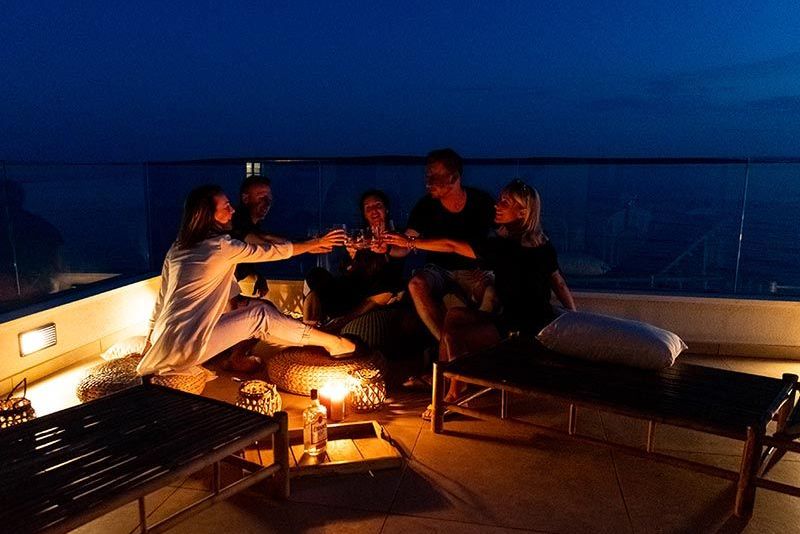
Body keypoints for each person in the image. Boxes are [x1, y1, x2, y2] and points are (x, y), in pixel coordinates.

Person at [384, 179, 576, 417]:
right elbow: (558, 282)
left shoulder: (505, 247)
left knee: (453, 335)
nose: (497, 205)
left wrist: (410, 242)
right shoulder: (542, 245)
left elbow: (452, 246)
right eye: (499, 199)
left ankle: (452, 393)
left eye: (505, 202)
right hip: (513, 317)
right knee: (454, 316)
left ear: (522, 212)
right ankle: (455, 384)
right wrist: (573, 315)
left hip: (523, 329)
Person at [137, 184, 356, 378]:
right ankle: (335, 343)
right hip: (186, 345)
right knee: (261, 315)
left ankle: (317, 340)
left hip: (162, 340)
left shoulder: (177, 247)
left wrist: (149, 341)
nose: (232, 210)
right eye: (226, 206)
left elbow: (161, 301)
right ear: (208, 215)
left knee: (257, 309)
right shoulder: (220, 245)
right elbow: (268, 251)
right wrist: (314, 243)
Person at [394, 148, 496, 342]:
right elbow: (403, 246)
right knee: (416, 284)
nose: (428, 182)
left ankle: (480, 341)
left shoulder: (481, 202)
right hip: (438, 269)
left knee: (491, 292)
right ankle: (445, 342)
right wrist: (387, 247)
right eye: (427, 176)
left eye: (435, 176)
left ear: (454, 177)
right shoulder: (425, 206)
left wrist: (491, 266)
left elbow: (503, 239)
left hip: (473, 269)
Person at [302, 189, 405, 331]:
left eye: (378, 205)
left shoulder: (397, 235)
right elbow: (347, 270)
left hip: (377, 292)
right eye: (368, 208)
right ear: (364, 214)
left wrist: (386, 249)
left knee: (388, 283)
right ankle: (309, 331)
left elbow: (401, 256)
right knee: (316, 275)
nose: (374, 210)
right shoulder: (360, 236)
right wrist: (352, 256)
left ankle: (340, 323)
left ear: (386, 210)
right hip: (353, 291)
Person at [230, 175, 281, 298]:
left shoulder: (254, 226)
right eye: (261, 197)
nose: (267, 203)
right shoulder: (237, 222)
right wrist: (309, 244)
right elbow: (262, 242)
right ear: (245, 198)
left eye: (269, 198)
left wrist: (257, 275)